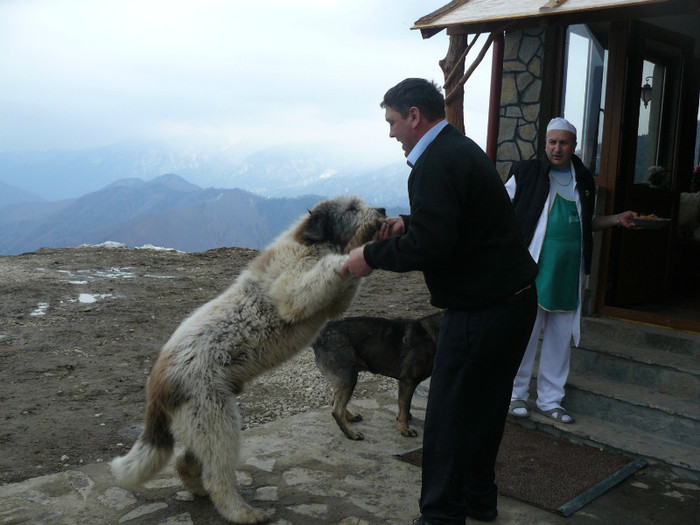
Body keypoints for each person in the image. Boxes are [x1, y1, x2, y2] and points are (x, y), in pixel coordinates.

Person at [341, 78, 539, 524]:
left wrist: (367, 256)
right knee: (485, 410)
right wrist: (409, 224)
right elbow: (457, 223)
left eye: (392, 121)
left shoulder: (433, 163)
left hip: (480, 311)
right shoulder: (460, 150)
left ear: (414, 116)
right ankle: (478, 501)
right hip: (516, 303)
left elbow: (434, 246)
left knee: (448, 418)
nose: (391, 132)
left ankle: (440, 517)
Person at [506, 117, 637, 424]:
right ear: (545, 144)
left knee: (559, 338)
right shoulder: (527, 174)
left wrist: (617, 219)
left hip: (568, 272)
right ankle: (515, 395)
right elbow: (499, 205)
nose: (557, 148)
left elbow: (585, 224)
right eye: (552, 142)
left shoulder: (583, 181)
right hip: (533, 269)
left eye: (563, 142)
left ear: (573, 146)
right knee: (524, 334)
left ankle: (551, 400)